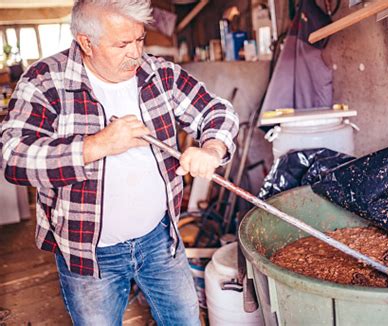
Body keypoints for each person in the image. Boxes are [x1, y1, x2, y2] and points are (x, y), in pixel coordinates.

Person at [0, 0, 238, 325]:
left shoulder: (159, 73)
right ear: (86, 41)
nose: (136, 54)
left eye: (139, 39)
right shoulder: (45, 81)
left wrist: (211, 148)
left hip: (161, 240)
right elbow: (12, 155)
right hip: (88, 254)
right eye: (123, 44)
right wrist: (97, 145)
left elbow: (217, 111)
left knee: (185, 320)